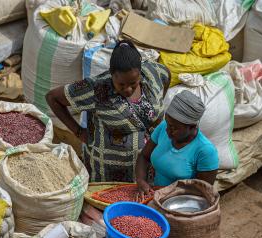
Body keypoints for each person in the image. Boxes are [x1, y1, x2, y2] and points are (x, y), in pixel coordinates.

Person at [46, 40, 171, 182]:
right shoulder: (98, 88)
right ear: (111, 74)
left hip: (146, 165)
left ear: (140, 73)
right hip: (108, 169)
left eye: (133, 83)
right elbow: (52, 97)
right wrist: (79, 132)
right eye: (121, 84)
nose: (128, 89)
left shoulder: (152, 73)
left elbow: (166, 76)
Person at [135, 90, 219, 198]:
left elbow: (201, 191)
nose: (167, 130)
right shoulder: (164, 127)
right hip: (154, 195)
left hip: (180, 204)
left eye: (174, 128)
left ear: (192, 127)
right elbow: (144, 156)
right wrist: (141, 180)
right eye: (168, 124)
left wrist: (164, 195)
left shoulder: (205, 151)